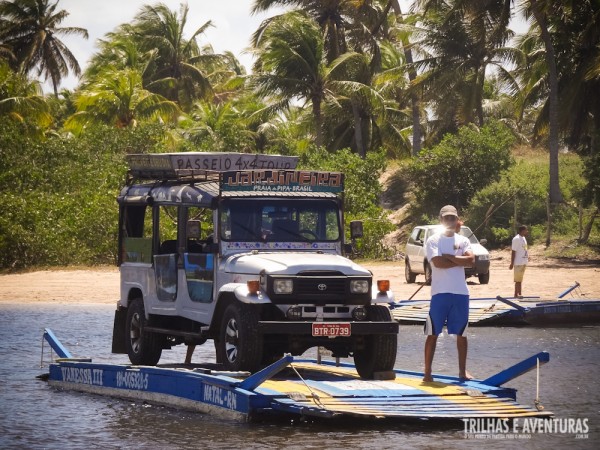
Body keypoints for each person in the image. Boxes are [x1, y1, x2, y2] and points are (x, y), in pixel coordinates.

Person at [423, 205, 475, 382]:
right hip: (440, 293)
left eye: (453, 218)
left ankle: (462, 372)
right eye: (447, 218)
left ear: (456, 219)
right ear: (441, 220)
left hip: (461, 293)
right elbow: (438, 263)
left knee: (462, 334)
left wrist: (451, 257)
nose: (450, 221)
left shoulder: (463, 240)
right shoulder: (433, 240)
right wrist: (458, 259)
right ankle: (427, 373)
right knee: (433, 333)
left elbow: (471, 260)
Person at [509, 225, 529, 298]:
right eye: (526, 230)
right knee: (517, 279)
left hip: (523, 261)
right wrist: (512, 263)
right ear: (522, 230)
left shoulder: (523, 238)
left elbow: (524, 249)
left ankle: (519, 293)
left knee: (520, 279)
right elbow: (513, 251)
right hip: (518, 262)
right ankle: (516, 294)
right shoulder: (516, 239)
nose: (527, 231)